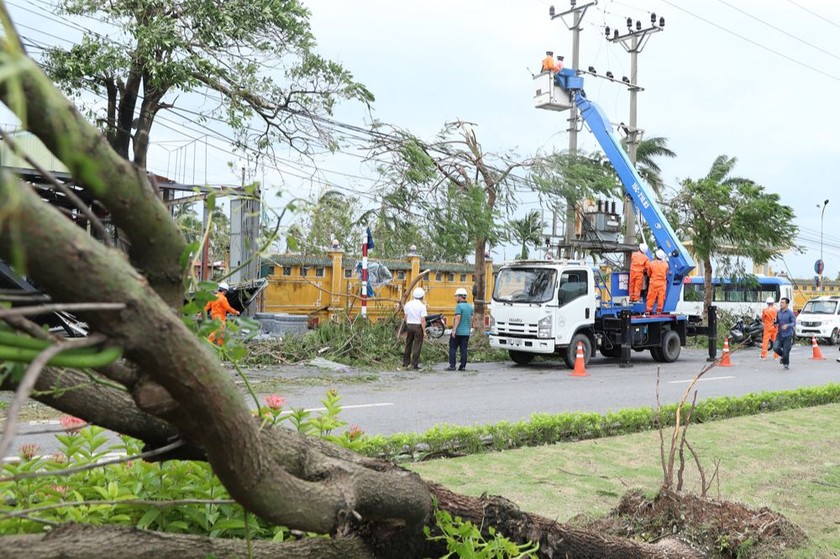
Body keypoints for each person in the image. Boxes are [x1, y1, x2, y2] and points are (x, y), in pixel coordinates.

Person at [447, 287, 474, 371]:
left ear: (460, 297)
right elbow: (471, 319)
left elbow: (458, 317)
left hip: (458, 332)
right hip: (466, 333)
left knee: (453, 348)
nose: (456, 298)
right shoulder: (470, 307)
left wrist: (454, 329)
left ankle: (452, 365)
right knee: (464, 350)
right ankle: (462, 366)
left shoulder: (459, 306)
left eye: (456, 296)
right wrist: (469, 329)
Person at [403, 287, 427, 370]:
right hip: (418, 327)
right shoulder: (422, 306)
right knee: (417, 345)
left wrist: (408, 325)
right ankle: (414, 364)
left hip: (409, 325)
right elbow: (422, 320)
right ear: (422, 296)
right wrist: (424, 331)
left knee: (408, 344)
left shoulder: (408, 304)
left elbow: (405, 317)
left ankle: (405, 363)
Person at [773, 297, 796, 370]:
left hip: (787, 335)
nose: (781, 304)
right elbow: (777, 321)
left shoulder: (790, 313)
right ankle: (784, 356)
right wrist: (775, 323)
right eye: (780, 302)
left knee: (786, 351)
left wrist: (787, 325)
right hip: (780, 334)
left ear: (787, 304)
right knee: (775, 348)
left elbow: (794, 323)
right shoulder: (778, 312)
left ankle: (786, 364)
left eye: (783, 303)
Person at [645, 249, 669, 315]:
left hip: (654, 283)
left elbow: (648, 273)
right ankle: (659, 310)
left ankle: (648, 310)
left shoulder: (652, 263)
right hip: (662, 284)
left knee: (651, 297)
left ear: (656, 255)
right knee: (661, 297)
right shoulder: (666, 264)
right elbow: (666, 273)